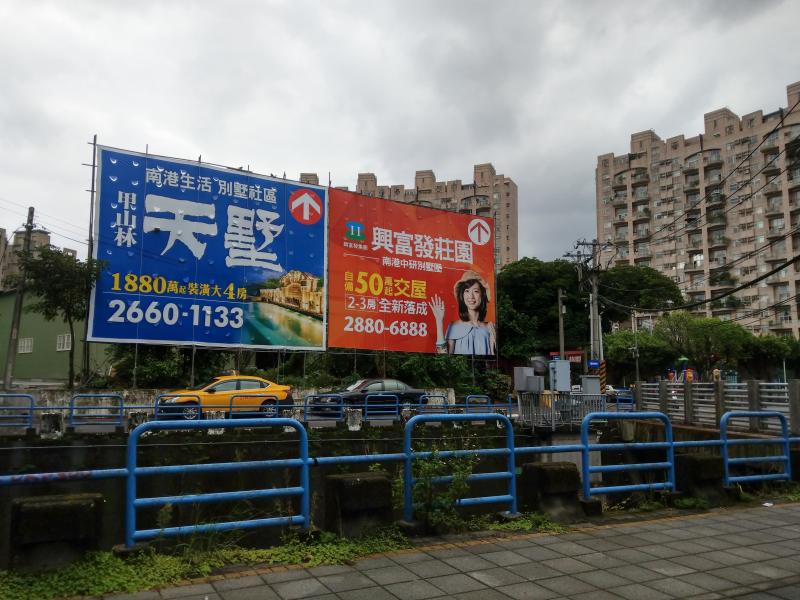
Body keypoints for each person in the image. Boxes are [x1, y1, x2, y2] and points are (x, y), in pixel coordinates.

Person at [429, 270, 496, 355]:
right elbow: (444, 357)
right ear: (462, 295)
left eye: (475, 291)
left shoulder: (490, 327)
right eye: (467, 291)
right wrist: (439, 321)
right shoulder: (454, 327)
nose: (471, 296)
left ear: (482, 295)